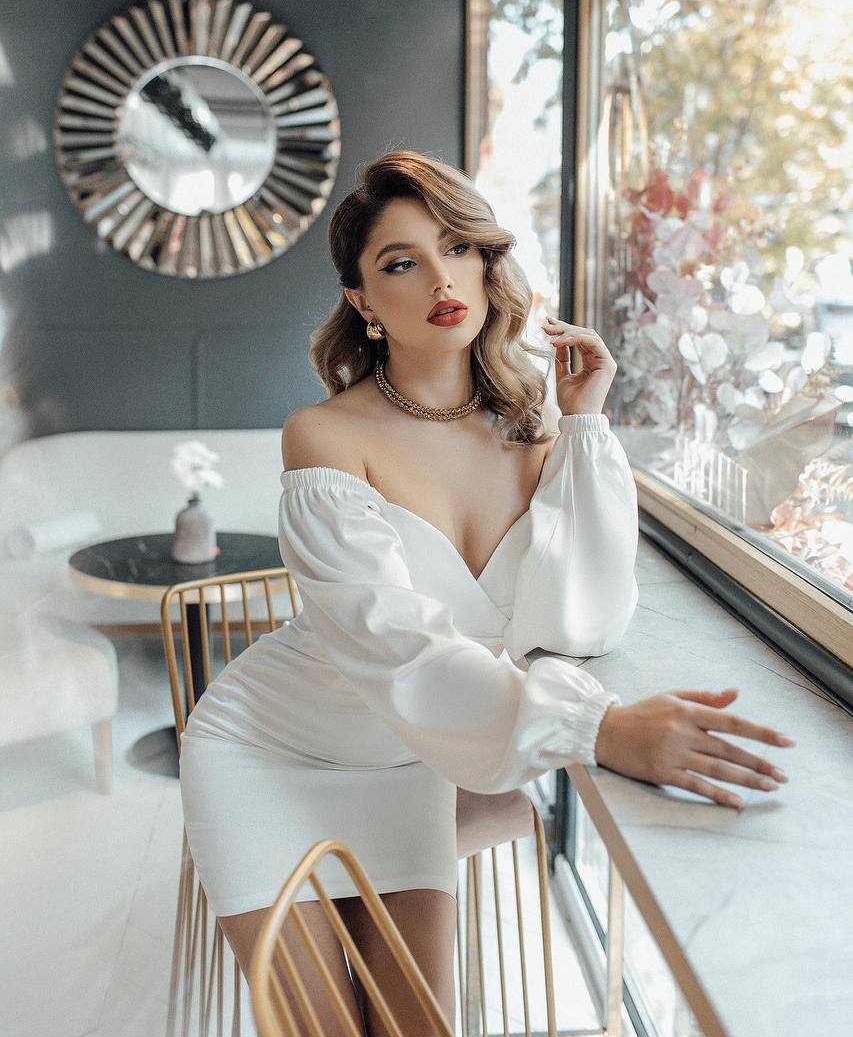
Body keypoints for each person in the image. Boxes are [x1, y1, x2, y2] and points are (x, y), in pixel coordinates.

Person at [179, 150, 795, 1036]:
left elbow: (583, 615)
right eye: (401, 262)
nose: (440, 277)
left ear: (485, 261)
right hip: (269, 758)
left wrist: (582, 424)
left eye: (458, 247)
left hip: (409, 764)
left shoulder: (538, 425)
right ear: (361, 301)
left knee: (418, 1029)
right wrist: (600, 728)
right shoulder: (320, 436)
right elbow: (394, 644)